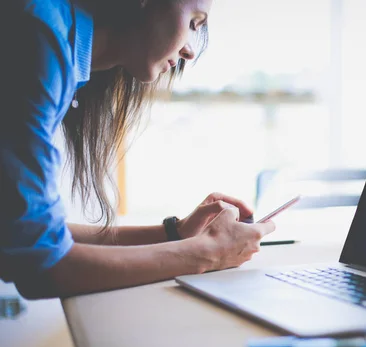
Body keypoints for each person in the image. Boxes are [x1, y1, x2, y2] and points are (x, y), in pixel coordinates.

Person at [0, 0, 275, 299]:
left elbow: (24, 232)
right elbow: (42, 269)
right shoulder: (40, 36)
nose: (190, 51)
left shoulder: (54, 32)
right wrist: (208, 253)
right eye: (194, 23)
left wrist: (174, 234)